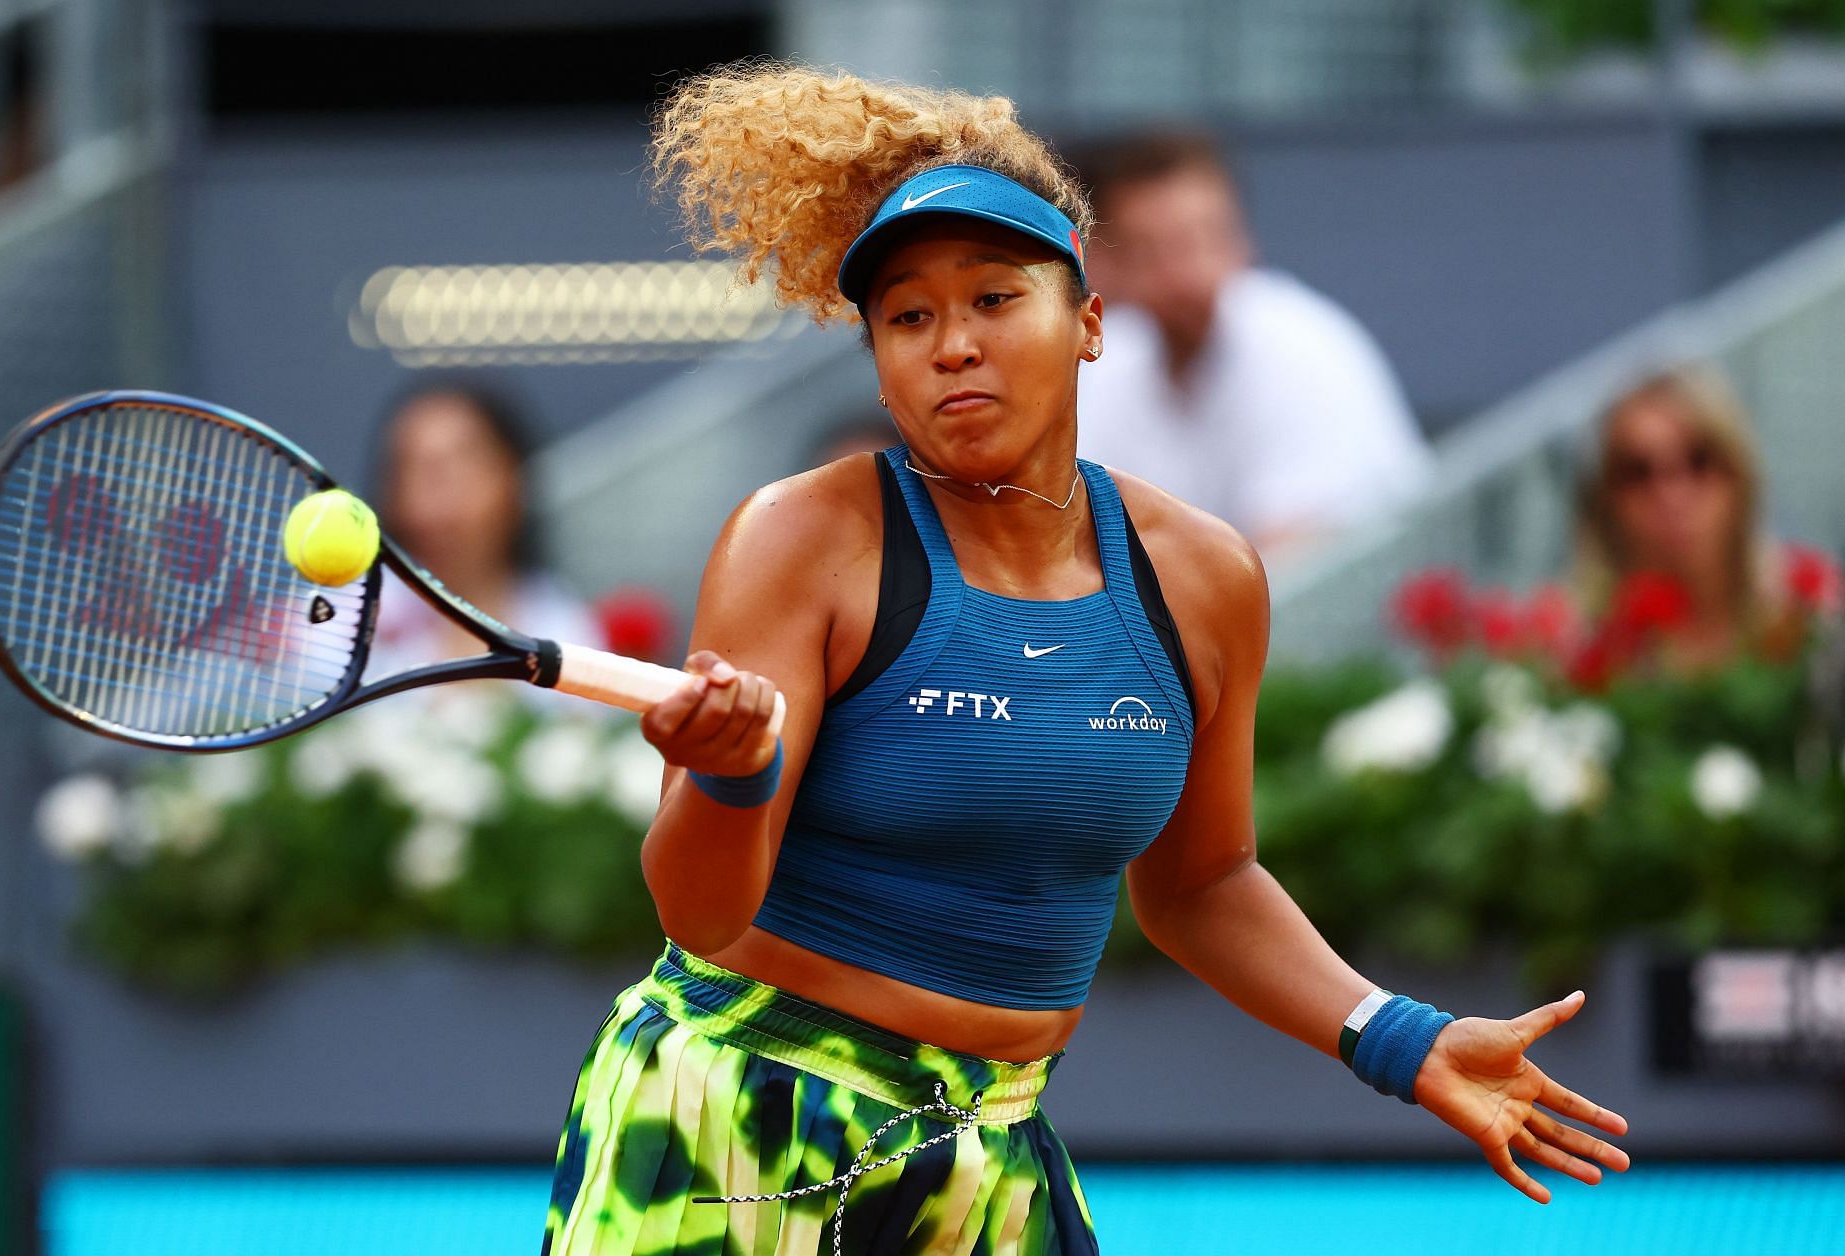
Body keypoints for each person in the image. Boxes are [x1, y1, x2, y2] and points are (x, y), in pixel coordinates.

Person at [542, 65, 1629, 1255]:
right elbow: (698, 912)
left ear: (1090, 322)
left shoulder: (1206, 576)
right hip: (734, 1114)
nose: (952, 344)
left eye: (995, 299)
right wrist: (732, 775)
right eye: (907, 317)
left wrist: (1398, 1034)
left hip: (993, 1144)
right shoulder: (802, 537)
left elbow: (1201, 883)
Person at [1070, 131, 1434, 565]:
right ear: (1111, 264)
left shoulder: (1296, 343)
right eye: (1154, 251)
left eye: (1206, 238)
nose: (1189, 273)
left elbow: (1288, 568)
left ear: (1241, 240)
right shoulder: (1116, 356)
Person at [1571, 363, 1840, 677]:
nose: (1671, 495)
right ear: (1604, 503)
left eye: (1699, 461)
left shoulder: (1814, 625)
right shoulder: (1573, 658)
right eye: (1638, 472)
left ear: (1740, 478)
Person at [367, 378, 603, 681]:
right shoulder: (342, 626)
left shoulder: (568, 631)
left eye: (454, 475)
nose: (432, 508)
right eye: (411, 474)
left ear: (513, 482)